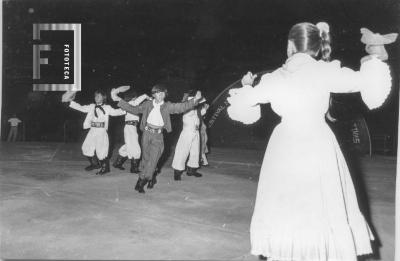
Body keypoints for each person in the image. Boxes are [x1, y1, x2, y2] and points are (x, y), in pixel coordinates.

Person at [227, 22, 392, 261]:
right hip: (318, 143)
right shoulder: (325, 71)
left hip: (285, 147)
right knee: (321, 206)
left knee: (286, 206)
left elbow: (245, 105)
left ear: (290, 46)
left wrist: (245, 86)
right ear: (317, 47)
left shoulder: (275, 77)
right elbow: (365, 83)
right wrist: (375, 55)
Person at [111, 84, 203, 193]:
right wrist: (118, 100)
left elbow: (180, 107)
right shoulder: (147, 104)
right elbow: (133, 109)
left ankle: (141, 181)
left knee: (153, 161)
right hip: (146, 134)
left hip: (158, 137)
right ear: (154, 94)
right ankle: (152, 177)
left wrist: (195, 100)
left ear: (165, 94)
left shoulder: (167, 106)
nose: (160, 95)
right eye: (157, 93)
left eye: (162, 93)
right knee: (145, 160)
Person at [62, 90, 125, 175]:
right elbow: (81, 108)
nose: (96, 98)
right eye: (95, 96)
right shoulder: (91, 106)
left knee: (101, 150)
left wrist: (128, 108)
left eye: (98, 96)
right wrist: (70, 102)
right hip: (92, 130)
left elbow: (117, 112)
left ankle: (105, 168)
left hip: (101, 131)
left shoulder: (107, 107)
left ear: (104, 97)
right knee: (86, 147)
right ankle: (95, 164)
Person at [171, 90, 207, 180]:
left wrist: (204, 110)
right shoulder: (187, 108)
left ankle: (191, 170)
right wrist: (195, 102)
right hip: (187, 132)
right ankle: (177, 172)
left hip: (196, 132)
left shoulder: (196, 109)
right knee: (182, 151)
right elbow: (190, 112)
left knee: (195, 152)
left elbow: (198, 115)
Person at [113, 90, 148, 173]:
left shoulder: (128, 106)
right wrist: (145, 95)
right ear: (133, 97)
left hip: (131, 127)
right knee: (135, 147)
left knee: (129, 145)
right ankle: (134, 168)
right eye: (135, 97)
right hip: (130, 127)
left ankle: (118, 163)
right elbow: (137, 101)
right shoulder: (131, 104)